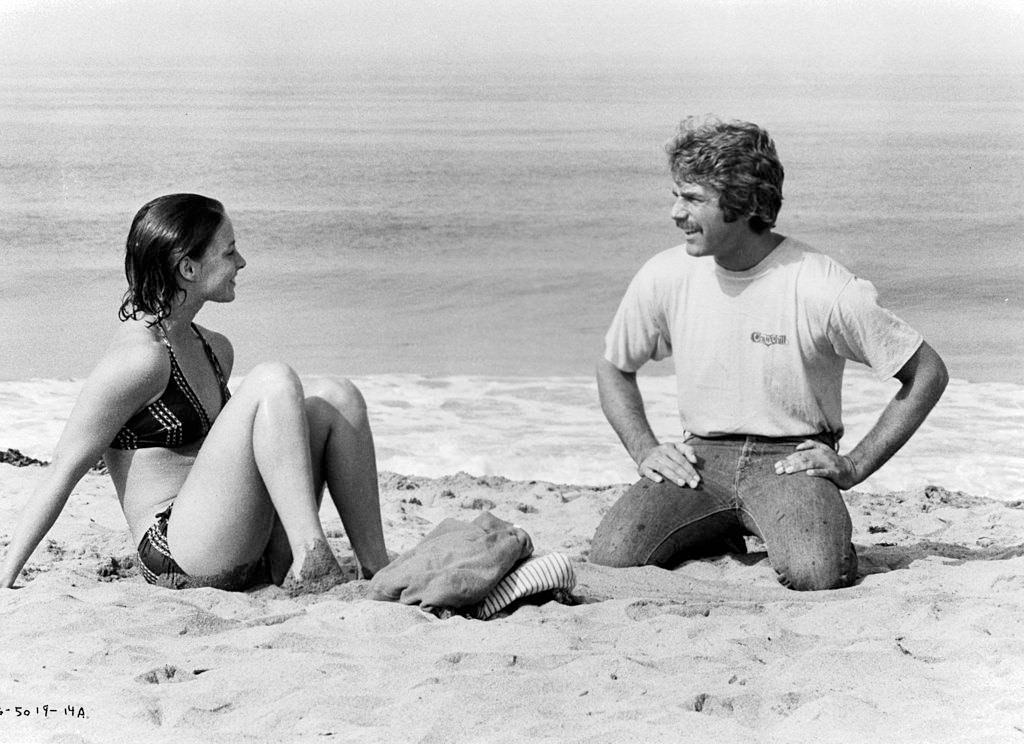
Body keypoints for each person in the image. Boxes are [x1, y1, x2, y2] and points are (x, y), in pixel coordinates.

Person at [589, 117, 948, 590]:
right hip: (700, 458)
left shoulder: (822, 286)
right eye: (676, 195)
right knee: (612, 559)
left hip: (790, 460)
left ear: (744, 203)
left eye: (693, 198)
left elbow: (927, 373)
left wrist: (855, 464)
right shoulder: (666, 275)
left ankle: (747, 524)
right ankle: (716, 530)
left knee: (817, 574)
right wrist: (645, 449)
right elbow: (614, 366)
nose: (676, 213)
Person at [0, 194, 390, 591]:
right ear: (188, 267)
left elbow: (251, 450)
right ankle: (311, 556)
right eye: (230, 252)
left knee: (338, 396)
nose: (241, 263)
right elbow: (63, 469)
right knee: (273, 379)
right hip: (177, 552)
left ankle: (376, 568)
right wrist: (6, 574)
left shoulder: (216, 348)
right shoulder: (139, 360)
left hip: (232, 536)